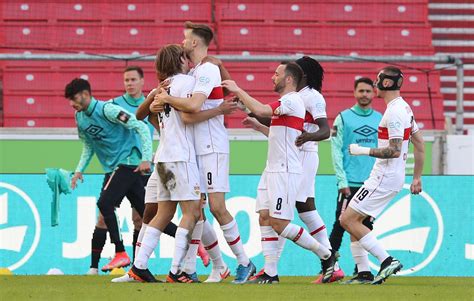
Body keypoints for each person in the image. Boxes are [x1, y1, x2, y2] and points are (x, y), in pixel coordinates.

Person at [155, 21, 255, 284]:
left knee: (217, 207)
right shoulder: (198, 70)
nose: (182, 41)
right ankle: (191, 267)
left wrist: (166, 99)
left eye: (185, 38)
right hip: (195, 149)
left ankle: (245, 263)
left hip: (212, 147)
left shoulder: (207, 69)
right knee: (197, 210)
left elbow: (193, 108)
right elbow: (188, 117)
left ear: (194, 43)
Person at [221, 62, 336, 284]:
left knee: (280, 223)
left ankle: (327, 255)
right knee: (264, 216)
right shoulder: (288, 105)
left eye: (277, 74)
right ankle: (270, 272)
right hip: (272, 169)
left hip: (285, 170)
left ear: (290, 79)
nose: (272, 77)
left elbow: (264, 110)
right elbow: (278, 133)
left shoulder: (293, 100)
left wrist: (238, 90)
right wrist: (257, 125)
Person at [340, 66, 425, 285]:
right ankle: (364, 273)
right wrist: (416, 178)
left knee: (347, 219)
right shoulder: (404, 108)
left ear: (386, 83)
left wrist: (362, 150)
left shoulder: (395, 112)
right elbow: (420, 143)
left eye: (378, 80)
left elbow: (394, 150)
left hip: (383, 177)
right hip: (390, 177)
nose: (375, 84)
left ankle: (387, 260)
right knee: (357, 223)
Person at [126, 44, 203, 283]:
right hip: (181, 156)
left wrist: (153, 98)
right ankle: (176, 271)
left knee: (164, 212)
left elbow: (139, 116)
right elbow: (192, 110)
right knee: (192, 212)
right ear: (180, 59)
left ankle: (139, 266)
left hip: (163, 157)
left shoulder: (162, 87)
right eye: (185, 56)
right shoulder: (187, 83)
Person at [66, 78, 152, 274]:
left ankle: (121, 253)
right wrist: (79, 169)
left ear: (85, 94)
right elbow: (88, 144)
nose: (71, 103)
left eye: (74, 98)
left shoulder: (108, 110)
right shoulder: (80, 117)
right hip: (114, 168)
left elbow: (141, 126)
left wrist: (146, 157)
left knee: (106, 206)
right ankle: (192, 244)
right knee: (149, 216)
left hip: (128, 164)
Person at [328, 77, 382, 284]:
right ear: (354, 92)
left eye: (368, 91)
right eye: (361, 91)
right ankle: (329, 266)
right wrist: (341, 180)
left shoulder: (381, 119)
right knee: (340, 225)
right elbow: (335, 150)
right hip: (349, 182)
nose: (365, 95)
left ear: (373, 93)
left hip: (372, 183)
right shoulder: (343, 118)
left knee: (364, 226)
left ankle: (362, 270)